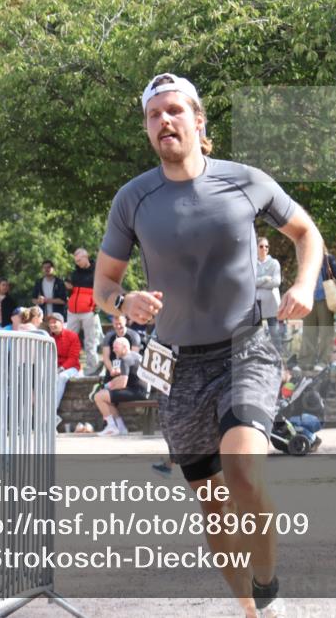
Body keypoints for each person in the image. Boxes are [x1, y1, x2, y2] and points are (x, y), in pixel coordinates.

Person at [94, 72, 322, 616]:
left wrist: (304, 285)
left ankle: (267, 587)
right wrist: (121, 303)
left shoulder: (244, 180)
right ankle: (250, 610)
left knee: (243, 472)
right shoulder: (133, 198)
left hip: (244, 349)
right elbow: (104, 284)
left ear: (198, 120)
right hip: (175, 366)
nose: (164, 121)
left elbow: (306, 233)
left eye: (174, 110)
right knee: (214, 505)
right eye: (154, 115)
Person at [91, 337, 148, 436]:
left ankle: (111, 427)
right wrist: (107, 386)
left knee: (99, 396)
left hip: (137, 391)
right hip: (141, 390)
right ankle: (121, 428)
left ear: (125, 347)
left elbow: (122, 383)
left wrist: (107, 389)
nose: (113, 350)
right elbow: (122, 379)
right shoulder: (134, 355)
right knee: (107, 399)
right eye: (113, 347)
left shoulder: (125, 359)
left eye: (116, 347)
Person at [302, 250, 336, 370]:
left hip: (326, 298)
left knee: (326, 332)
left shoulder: (328, 258)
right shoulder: (305, 256)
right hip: (309, 298)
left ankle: (323, 361)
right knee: (308, 331)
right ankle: (306, 362)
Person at [66, 248, 104, 375]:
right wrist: (68, 287)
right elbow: (71, 291)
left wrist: (96, 306)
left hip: (89, 310)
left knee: (90, 341)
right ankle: (68, 365)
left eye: (79, 260)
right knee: (69, 339)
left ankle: (92, 369)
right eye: (75, 261)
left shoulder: (97, 271)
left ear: (86, 256)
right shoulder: (74, 273)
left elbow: (102, 290)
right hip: (73, 310)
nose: (77, 263)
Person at [47, 312, 81, 427]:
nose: (52, 324)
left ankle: (52, 412)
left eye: (54, 322)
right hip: (53, 368)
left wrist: (61, 368)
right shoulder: (48, 338)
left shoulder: (72, 336)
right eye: (50, 322)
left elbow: (73, 358)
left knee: (61, 377)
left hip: (71, 368)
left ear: (61, 323)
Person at [255, 237, 282, 338]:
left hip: (272, 303)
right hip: (257, 303)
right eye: (261, 246)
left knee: (274, 333)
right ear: (256, 248)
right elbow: (251, 283)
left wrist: (258, 283)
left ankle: (278, 353)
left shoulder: (274, 263)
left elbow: (276, 282)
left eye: (266, 246)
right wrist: (265, 279)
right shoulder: (252, 263)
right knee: (257, 335)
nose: (264, 249)